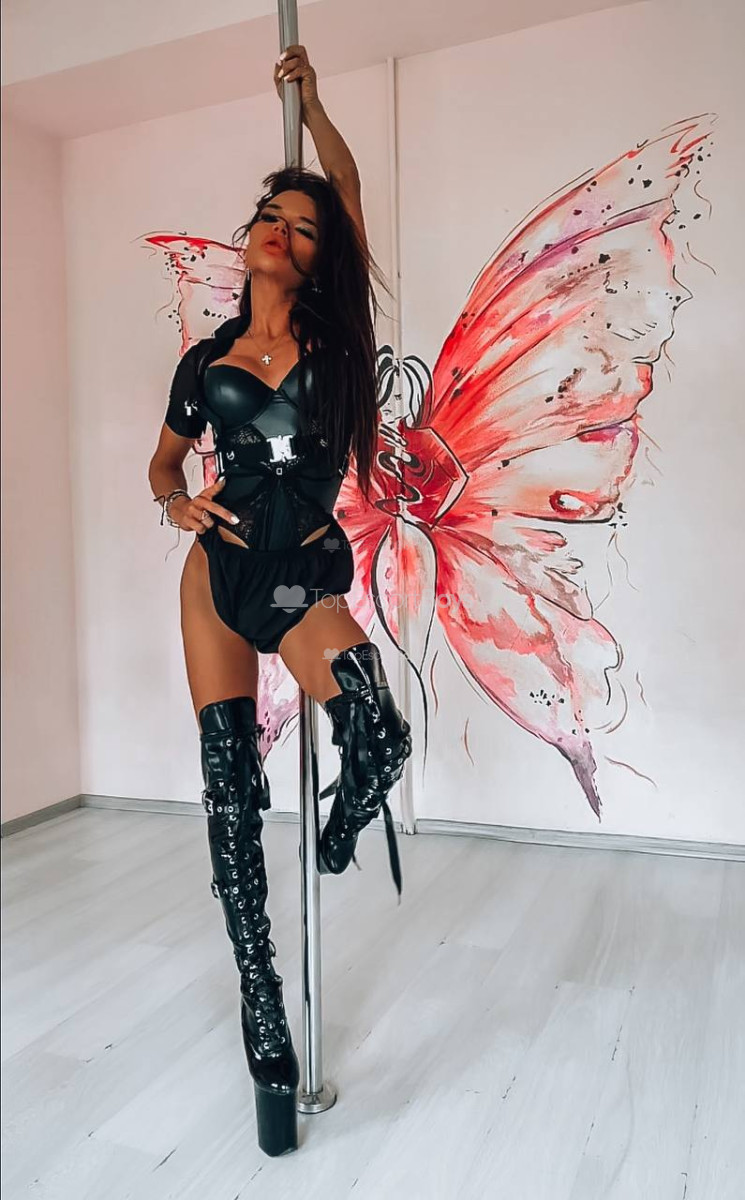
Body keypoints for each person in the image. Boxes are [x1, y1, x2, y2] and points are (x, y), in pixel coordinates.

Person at [148, 45, 412, 1158]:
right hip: (215, 577)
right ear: (252, 232)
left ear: (321, 254)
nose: (284, 231)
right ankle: (264, 1011)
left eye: (304, 229)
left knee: (378, 729)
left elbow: (343, 185)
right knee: (228, 796)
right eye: (273, 216)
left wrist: (312, 106)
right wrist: (176, 503)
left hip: (300, 574)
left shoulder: (338, 345)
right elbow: (164, 465)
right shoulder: (205, 360)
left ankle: (341, 836)